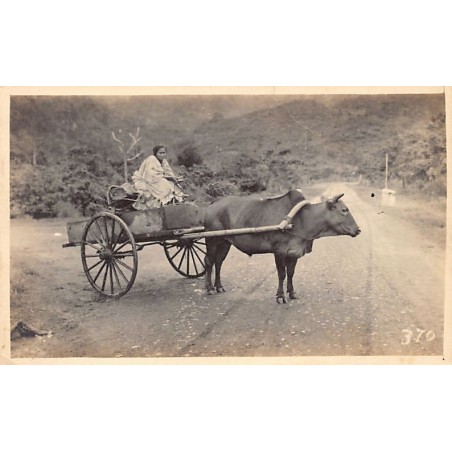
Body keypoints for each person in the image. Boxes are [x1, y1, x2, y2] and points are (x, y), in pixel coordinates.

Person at [132, 144, 186, 210]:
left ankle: (176, 200)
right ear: (155, 153)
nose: (162, 155)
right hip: (147, 180)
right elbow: (151, 176)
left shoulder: (164, 161)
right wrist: (169, 178)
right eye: (160, 153)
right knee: (165, 183)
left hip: (156, 179)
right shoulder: (151, 159)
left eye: (164, 153)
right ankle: (163, 202)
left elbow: (168, 172)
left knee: (172, 184)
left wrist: (175, 178)